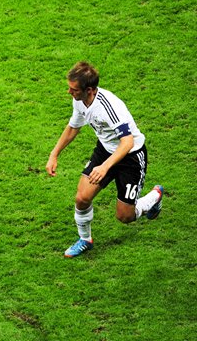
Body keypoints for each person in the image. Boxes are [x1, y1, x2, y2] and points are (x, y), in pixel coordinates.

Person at [46, 61, 164, 258]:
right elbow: (73, 127)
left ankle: (154, 197)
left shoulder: (110, 107)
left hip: (130, 157)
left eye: (73, 89)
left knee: (125, 216)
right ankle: (85, 240)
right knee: (82, 198)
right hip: (105, 151)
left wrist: (105, 167)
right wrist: (54, 154)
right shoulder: (79, 100)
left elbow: (126, 143)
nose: (69, 92)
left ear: (89, 90)